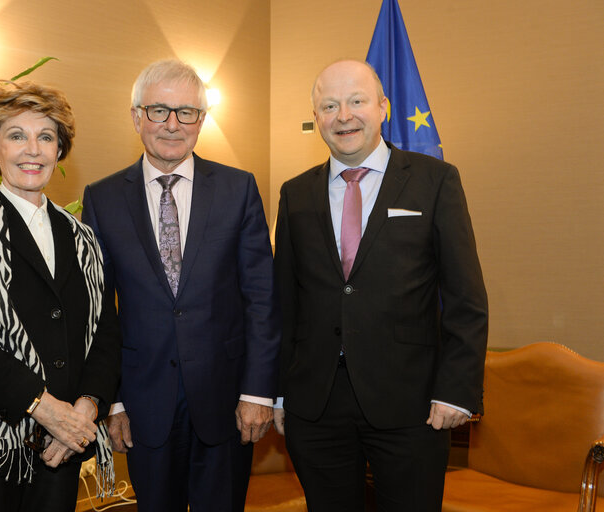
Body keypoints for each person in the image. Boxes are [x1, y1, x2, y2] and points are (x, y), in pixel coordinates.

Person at [273, 59, 488, 511]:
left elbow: (465, 297)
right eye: (329, 105)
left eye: (356, 101)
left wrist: (457, 389)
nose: (343, 116)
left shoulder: (435, 181)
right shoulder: (295, 194)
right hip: (316, 406)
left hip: (412, 406)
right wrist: (278, 392)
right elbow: (285, 303)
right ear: (317, 117)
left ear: (383, 107)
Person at [82, 59, 279, 511]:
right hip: (142, 404)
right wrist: (112, 402)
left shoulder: (238, 188)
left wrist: (257, 392)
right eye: (158, 110)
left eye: (186, 112)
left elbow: (262, 299)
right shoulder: (103, 197)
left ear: (202, 120)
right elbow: (98, 311)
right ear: (136, 117)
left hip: (228, 400)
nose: (172, 124)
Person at [0, 81, 121, 512]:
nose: (33, 149)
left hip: (60, 450)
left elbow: (105, 336)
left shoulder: (83, 238)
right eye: (17, 136)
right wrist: (45, 409)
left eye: (45, 137)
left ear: (59, 152)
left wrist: (84, 412)